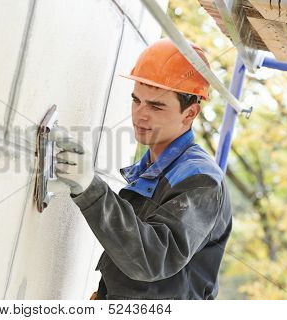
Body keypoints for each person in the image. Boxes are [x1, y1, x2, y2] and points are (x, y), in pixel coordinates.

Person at [54, 38, 232, 300]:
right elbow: (130, 245)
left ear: (190, 113)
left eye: (156, 106)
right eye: (137, 100)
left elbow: (152, 259)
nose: (140, 114)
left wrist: (90, 188)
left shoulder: (200, 180)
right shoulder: (152, 168)